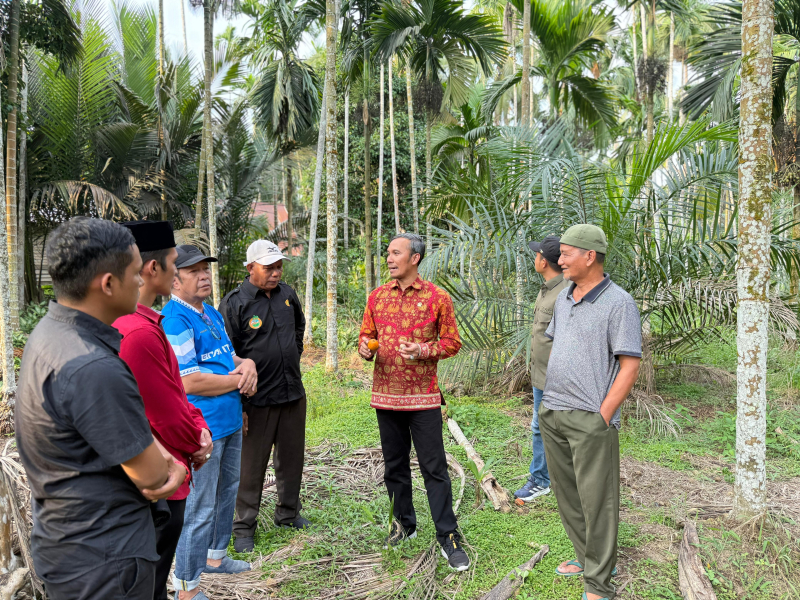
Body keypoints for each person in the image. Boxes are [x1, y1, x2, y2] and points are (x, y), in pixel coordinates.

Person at [16, 217, 186, 600]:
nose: (141, 281)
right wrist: (174, 466)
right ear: (108, 284)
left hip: (68, 545)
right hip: (107, 561)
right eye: (133, 273)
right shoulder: (94, 367)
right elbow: (152, 476)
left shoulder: (48, 334)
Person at [538, 224, 641, 600]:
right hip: (553, 411)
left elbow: (629, 365)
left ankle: (599, 584)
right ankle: (588, 557)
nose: (559, 259)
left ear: (589, 256)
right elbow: (559, 347)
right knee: (568, 495)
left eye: (566, 253)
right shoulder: (565, 297)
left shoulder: (619, 302)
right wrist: (546, 402)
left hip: (589, 419)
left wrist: (603, 414)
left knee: (598, 501)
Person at [113, 222, 213, 600]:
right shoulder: (138, 333)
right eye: (175, 263)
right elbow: (163, 412)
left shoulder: (147, 325)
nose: (177, 272)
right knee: (151, 579)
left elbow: (175, 395)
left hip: (171, 465)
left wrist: (197, 426)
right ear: (152, 269)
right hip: (163, 479)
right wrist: (196, 444)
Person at [358, 233, 469, 571]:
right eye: (388, 253)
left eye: (396, 253)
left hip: (423, 399)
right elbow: (367, 335)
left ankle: (448, 536)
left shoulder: (437, 297)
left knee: (434, 468)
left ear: (415, 258)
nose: (389, 259)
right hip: (386, 397)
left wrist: (423, 350)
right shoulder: (376, 297)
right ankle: (403, 523)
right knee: (394, 466)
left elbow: (452, 342)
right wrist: (365, 347)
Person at [161, 245, 258, 600]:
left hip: (230, 419)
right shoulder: (175, 320)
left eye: (206, 269)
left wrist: (247, 364)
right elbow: (188, 380)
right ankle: (186, 585)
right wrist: (238, 380)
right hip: (204, 428)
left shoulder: (211, 314)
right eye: (194, 271)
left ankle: (216, 558)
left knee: (226, 493)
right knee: (200, 506)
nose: (204, 276)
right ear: (174, 279)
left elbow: (229, 357)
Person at [219, 240, 310, 553]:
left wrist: (291, 358)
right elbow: (225, 355)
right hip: (256, 401)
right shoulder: (235, 303)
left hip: (292, 394)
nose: (276, 272)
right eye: (268, 267)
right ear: (250, 269)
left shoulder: (287, 295)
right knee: (251, 466)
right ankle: (244, 527)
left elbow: (299, 328)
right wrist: (239, 403)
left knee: (291, 459)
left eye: (278, 266)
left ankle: (288, 513)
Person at [514, 235, 569, 503]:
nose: (534, 257)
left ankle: (541, 480)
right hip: (541, 375)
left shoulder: (566, 293)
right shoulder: (547, 289)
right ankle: (545, 477)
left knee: (548, 427)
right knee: (542, 426)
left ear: (543, 261)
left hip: (556, 378)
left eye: (537, 254)